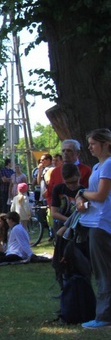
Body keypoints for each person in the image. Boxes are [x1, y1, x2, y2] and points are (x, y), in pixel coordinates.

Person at [76, 128, 111, 329]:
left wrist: (82, 193)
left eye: (93, 144)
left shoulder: (108, 165)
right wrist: (82, 196)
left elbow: (99, 195)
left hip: (102, 223)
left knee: (103, 270)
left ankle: (104, 316)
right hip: (95, 222)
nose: (89, 147)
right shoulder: (98, 167)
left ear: (105, 144)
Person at [50, 163, 82, 228]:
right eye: (68, 182)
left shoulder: (83, 191)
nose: (71, 185)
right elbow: (54, 213)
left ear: (79, 177)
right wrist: (69, 221)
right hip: (60, 225)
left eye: (74, 182)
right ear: (63, 180)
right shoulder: (58, 189)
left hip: (78, 226)